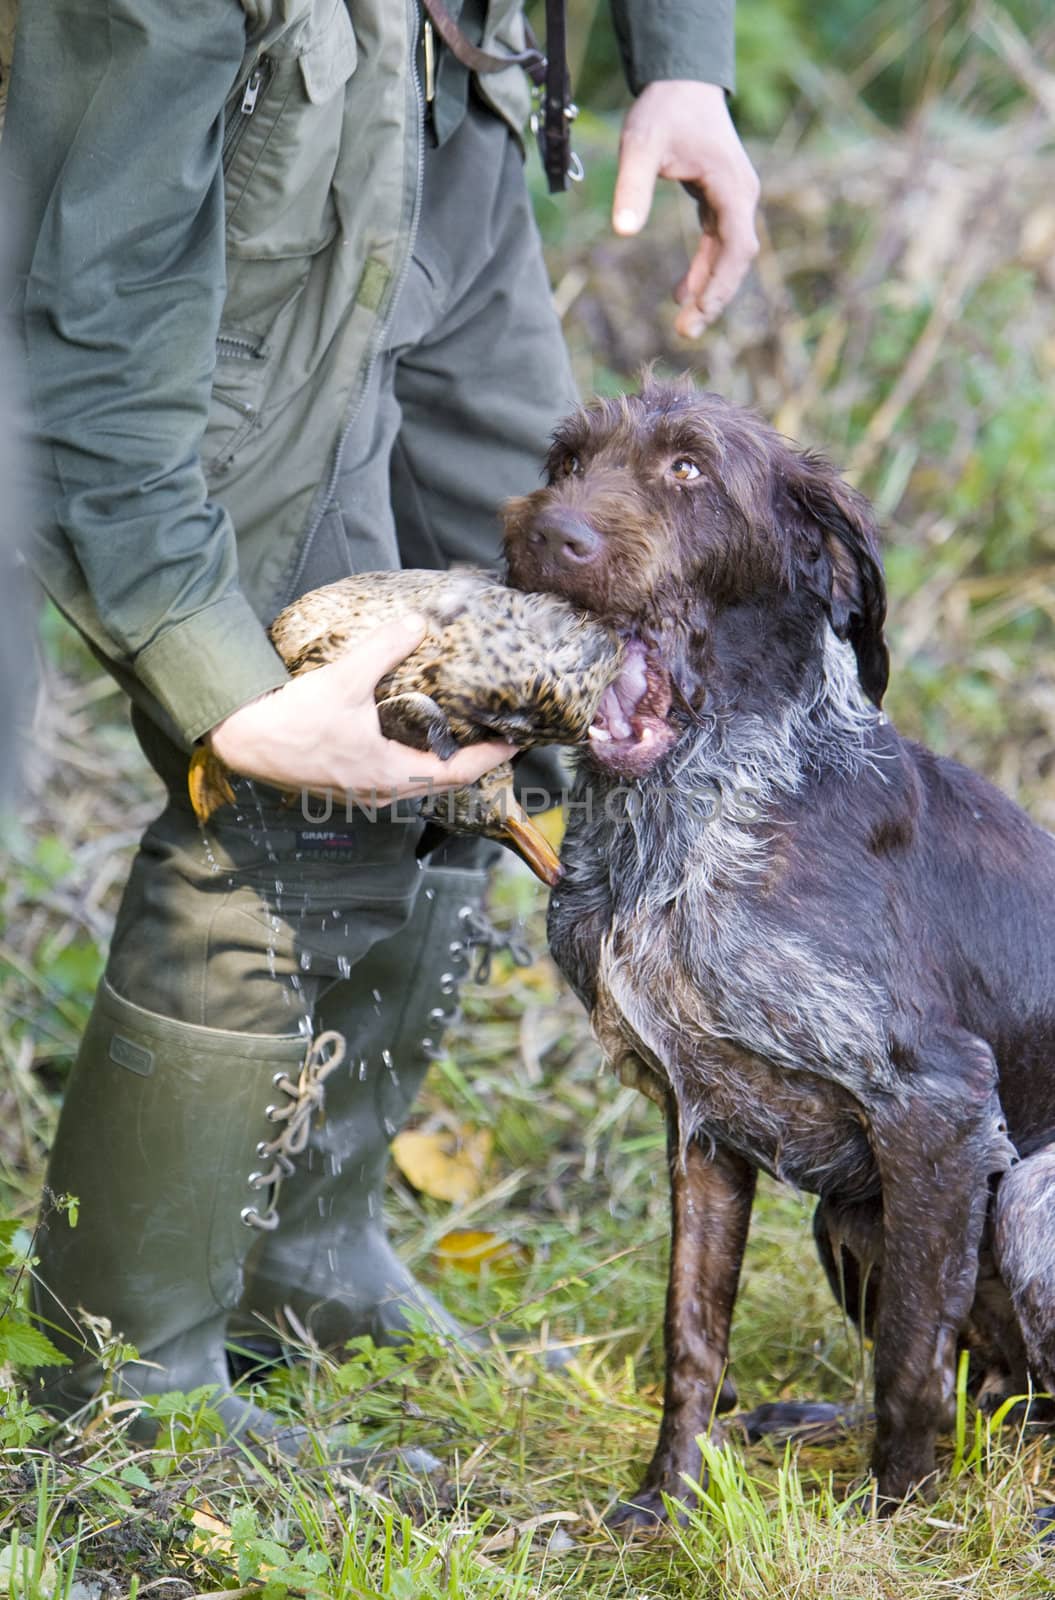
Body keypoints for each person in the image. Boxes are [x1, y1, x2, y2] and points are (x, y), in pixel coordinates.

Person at [1, 0, 759, 1444]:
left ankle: (307, 1258)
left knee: (534, 667)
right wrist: (228, 702)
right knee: (301, 792)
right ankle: (122, 1387)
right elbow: (79, 349)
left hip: (440, 131)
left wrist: (680, 63)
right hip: (224, 241)